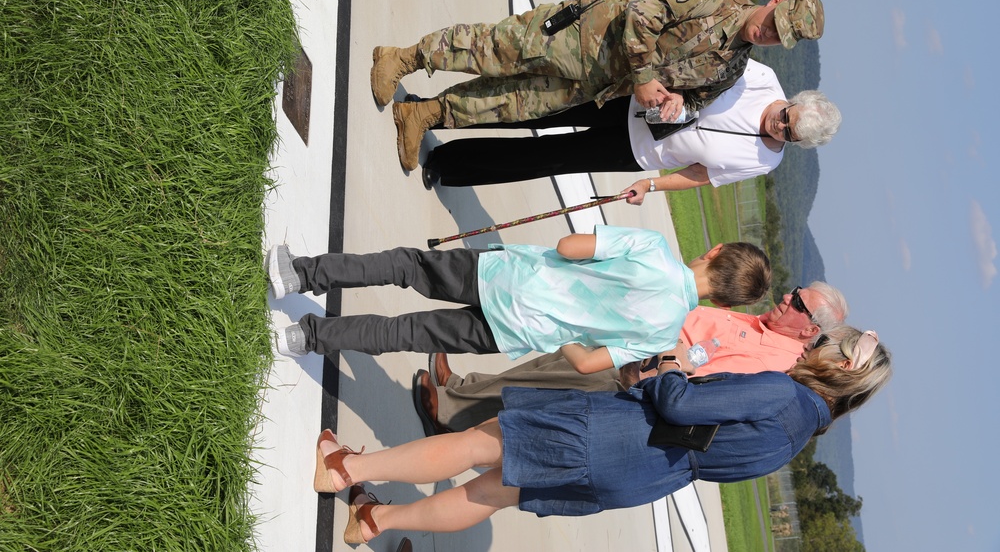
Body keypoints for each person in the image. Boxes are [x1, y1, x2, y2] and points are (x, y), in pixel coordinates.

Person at [313, 326, 890, 543]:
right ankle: (375, 521)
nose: (816, 344)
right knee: (494, 493)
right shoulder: (796, 438)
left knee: (482, 443)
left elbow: (681, 402)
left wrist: (667, 365)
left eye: (827, 344)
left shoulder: (783, 393)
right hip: (639, 476)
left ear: (840, 368)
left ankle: (347, 469)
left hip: (616, 433)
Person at [371, 0, 825, 170]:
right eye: (774, 22)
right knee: (494, 49)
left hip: (602, 84)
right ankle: (405, 58)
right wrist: (646, 79)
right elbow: (645, 12)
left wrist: (673, 107)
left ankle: (424, 114)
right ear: (776, 2)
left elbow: (694, 101)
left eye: (779, 37)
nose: (768, 33)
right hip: (587, 36)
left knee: (514, 104)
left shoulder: (734, 68)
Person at [265, 230, 770, 374]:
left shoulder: (655, 248)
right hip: (518, 331)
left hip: (508, 277)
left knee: (405, 266)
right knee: (407, 334)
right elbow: (592, 362)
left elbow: (572, 248)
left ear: (716, 253)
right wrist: (567, 331)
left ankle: (301, 274)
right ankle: (305, 337)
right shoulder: (663, 336)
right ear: (725, 305)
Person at [415, 281, 849, 433]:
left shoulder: (775, 361)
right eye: (794, 293)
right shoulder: (763, 328)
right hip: (637, 338)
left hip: (637, 367)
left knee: (542, 386)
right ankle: (463, 389)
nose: (787, 299)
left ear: (811, 330)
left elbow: (702, 370)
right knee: (545, 367)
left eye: (798, 304)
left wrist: (654, 360)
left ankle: (450, 414)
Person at [418, 59, 841, 191]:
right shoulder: (762, 78)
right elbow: (702, 63)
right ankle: (437, 109)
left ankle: (449, 163)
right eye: (787, 117)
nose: (779, 127)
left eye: (789, 135)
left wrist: (651, 184)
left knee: (542, 158)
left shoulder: (766, 161)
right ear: (794, 100)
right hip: (630, 100)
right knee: (531, 108)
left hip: (637, 152)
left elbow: (702, 175)